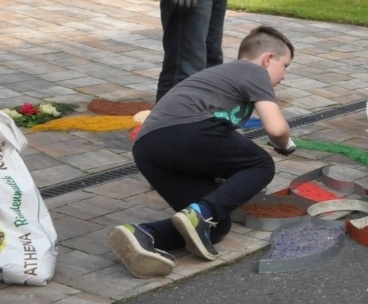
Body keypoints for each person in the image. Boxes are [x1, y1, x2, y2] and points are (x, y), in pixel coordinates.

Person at [105, 26, 298, 278]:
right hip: (185, 132)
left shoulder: (222, 77)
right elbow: (276, 128)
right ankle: (200, 214)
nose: (283, 77)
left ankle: (141, 235)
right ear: (268, 59)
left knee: (215, 226)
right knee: (261, 164)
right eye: (285, 66)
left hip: (150, 149)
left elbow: (214, 149)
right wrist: (284, 145)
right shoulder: (253, 71)